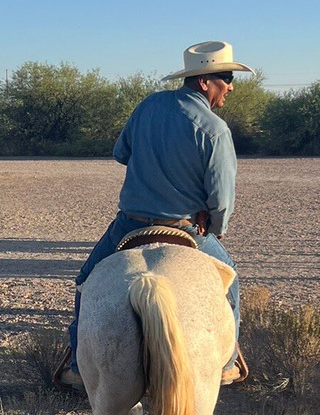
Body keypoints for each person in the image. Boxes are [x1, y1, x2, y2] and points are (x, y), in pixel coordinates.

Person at [56, 41, 252, 391]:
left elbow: (120, 153)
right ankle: (225, 363)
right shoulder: (215, 130)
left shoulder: (148, 106)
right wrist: (217, 228)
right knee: (231, 281)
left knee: (86, 282)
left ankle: (75, 362)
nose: (232, 86)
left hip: (130, 223)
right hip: (188, 227)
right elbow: (221, 198)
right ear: (204, 82)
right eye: (226, 77)